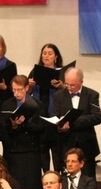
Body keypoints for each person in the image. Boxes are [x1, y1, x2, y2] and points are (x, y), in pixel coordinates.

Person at [51, 67, 101, 177]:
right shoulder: (58, 95)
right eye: (67, 84)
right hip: (66, 144)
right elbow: (55, 116)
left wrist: (74, 120)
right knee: (67, 180)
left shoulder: (92, 95)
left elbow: (97, 117)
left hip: (86, 145)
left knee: (88, 179)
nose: (69, 87)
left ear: (81, 82)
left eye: (72, 85)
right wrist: (59, 126)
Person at [28, 43, 66, 172]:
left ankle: (58, 179)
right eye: (44, 53)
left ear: (56, 57)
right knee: (42, 152)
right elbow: (26, 93)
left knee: (57, 153)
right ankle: (45, 179)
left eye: (50, 53)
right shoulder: (35, 71)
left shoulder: (61, 73)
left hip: (55, 116)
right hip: (39, 116)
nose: (46, 56)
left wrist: (61, 86)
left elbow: (69, 93)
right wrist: (30, 86)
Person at [1, 74, 43, 189]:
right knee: (15, 185)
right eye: (13, 90)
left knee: (31, 184)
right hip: (13, 151)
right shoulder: (7, 104)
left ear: (26, 88)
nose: (16, 93)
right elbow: (3, 128)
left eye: (19, 90)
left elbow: (41, 127)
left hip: (31, 151)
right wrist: (13, 126)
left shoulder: (37, 104)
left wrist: (24, 124)